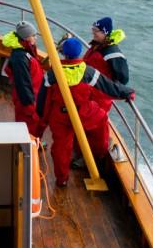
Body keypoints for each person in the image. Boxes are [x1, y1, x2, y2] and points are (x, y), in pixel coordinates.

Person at [36, 38, 135, 186]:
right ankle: (99, 153)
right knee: (101, 119)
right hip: (83, 112)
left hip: (60, 116)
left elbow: (42, 99)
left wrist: (43, 117)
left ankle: (61, 179)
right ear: (79, 54)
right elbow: (108, 86)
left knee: (61, 148)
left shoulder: (52, 73)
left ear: (64, 54)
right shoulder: (88, 72)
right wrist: (127, 92)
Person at [81, 16, 129, 157]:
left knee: (96, 128)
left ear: (105, 32)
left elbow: (123, 78)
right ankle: (85, 153)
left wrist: (111, 89)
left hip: (100, 96)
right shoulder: (98, 46)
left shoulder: (113, 53)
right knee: (87, 125)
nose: (93, 33)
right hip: (89, 93)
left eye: (97, 30)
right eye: (93, 29)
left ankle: (97, 157)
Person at [2, 20, 44, 135]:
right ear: (26, 38)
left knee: (30, 124)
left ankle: (33, 141)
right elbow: (23, 84)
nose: (36, 38)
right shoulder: (21, 58)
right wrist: (29, 107)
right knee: (27, 124)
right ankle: (26, 145)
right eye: (33, 36)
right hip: (27, 100)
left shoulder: (25, 50)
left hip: (33, 94)